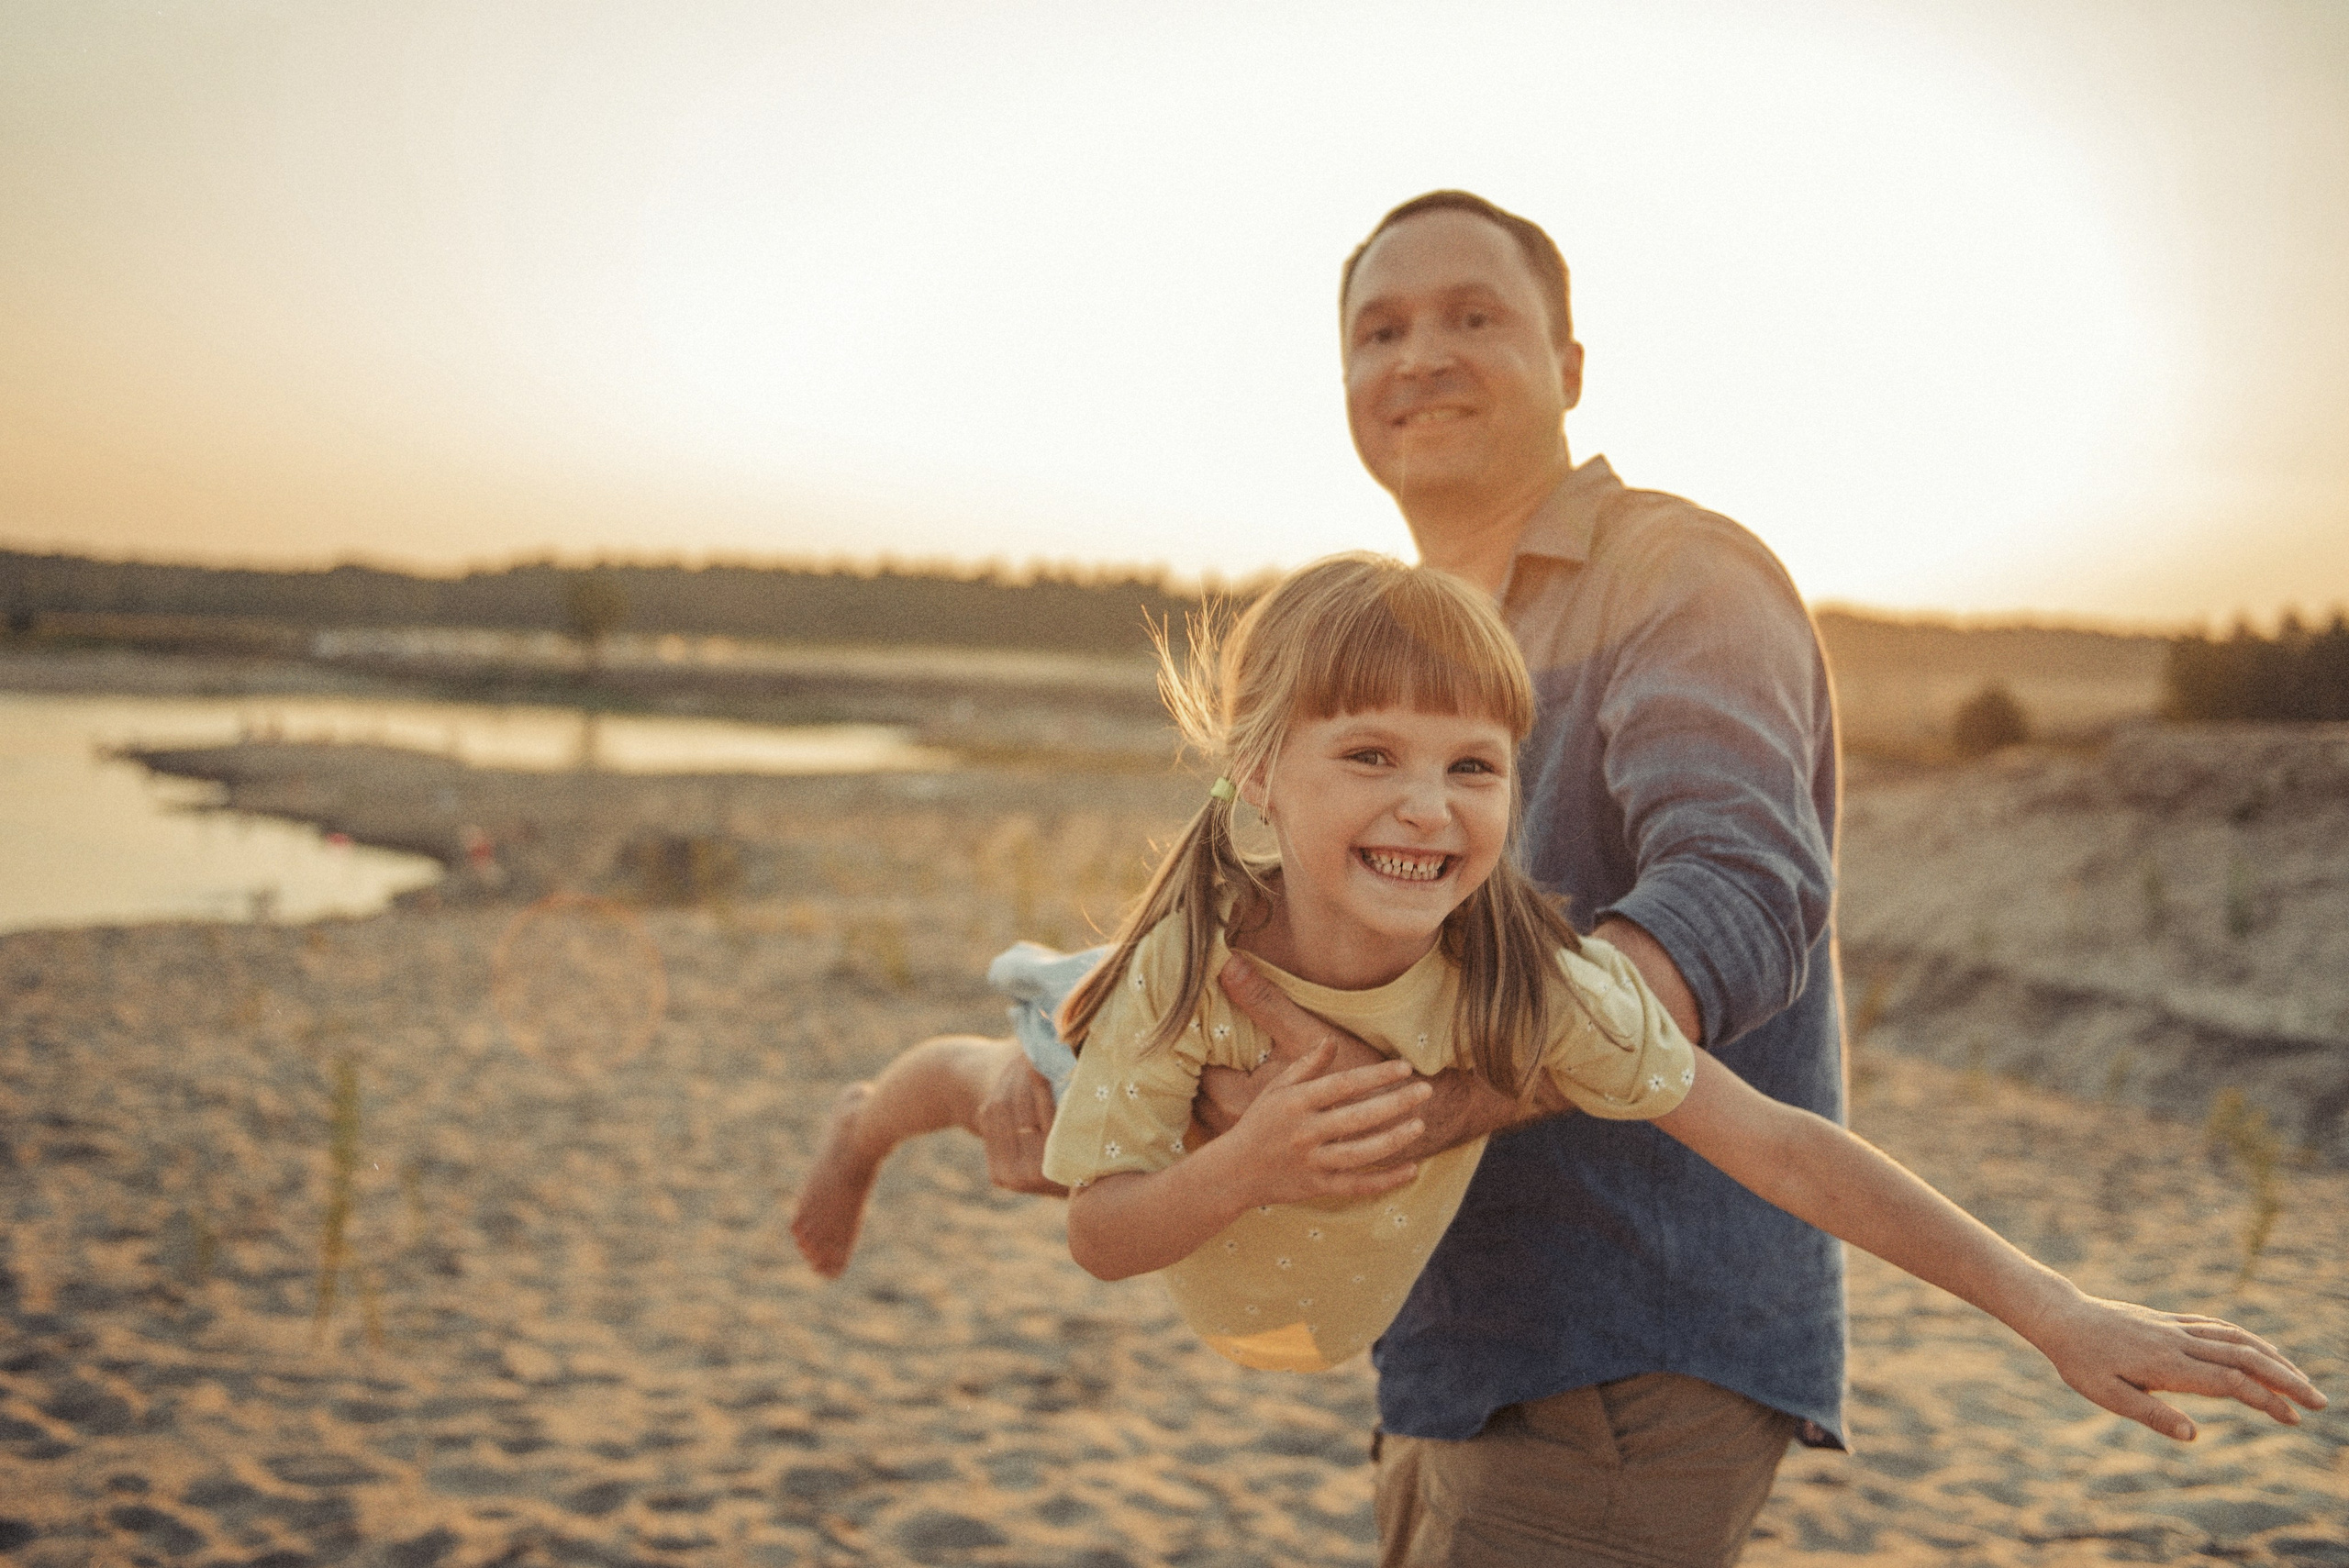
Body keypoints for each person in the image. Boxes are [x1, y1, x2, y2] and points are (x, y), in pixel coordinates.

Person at [795, 551, 2321, 1430]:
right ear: (1261, 785)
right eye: (1370, 755)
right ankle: (867, 1122)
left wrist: (2049, 1305)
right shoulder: (1186, 973)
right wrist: (1243, 1159)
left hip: (1313, 1291)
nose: (1426, 803)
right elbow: (1100, 1233)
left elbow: (1783, 1144)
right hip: (1167, 1061)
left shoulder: (1533, 986)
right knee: (1001, 1090)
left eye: (1472, 765)